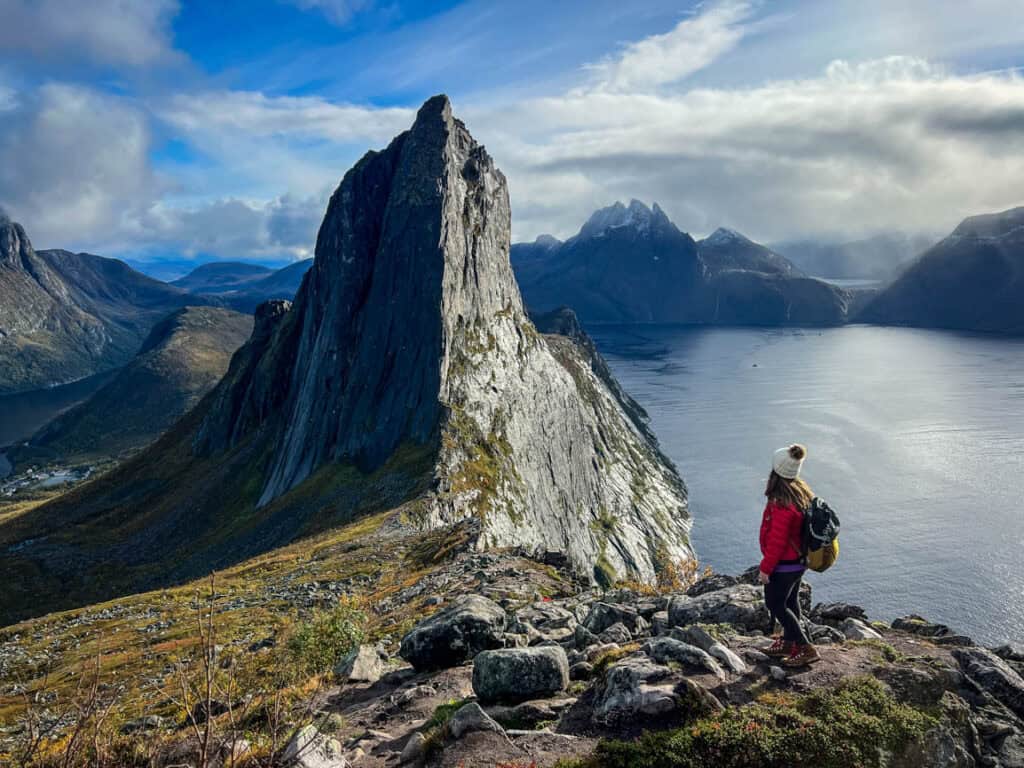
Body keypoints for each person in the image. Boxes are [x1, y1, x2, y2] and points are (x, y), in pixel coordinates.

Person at [759, 444, 821, 667]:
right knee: (791, 601)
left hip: (784, 564)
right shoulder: (800, 492)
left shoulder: (782, 504)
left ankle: (805, 647)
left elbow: (778, 541)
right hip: (798, 562)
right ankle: (788, 642)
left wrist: (766, 569)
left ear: (776, 471)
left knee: (775, 604)